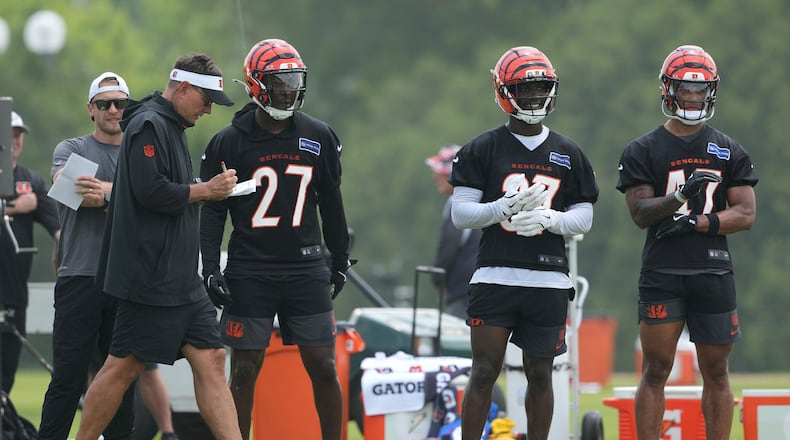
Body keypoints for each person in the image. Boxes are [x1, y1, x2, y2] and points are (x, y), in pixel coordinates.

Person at [74, 52, 241, 440]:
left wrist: (206, 191)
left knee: (212, 357)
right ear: (182, 88)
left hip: (182, 280)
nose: (208, 112)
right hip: (149, 278)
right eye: (206, 101)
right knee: (123, 367)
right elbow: (150, 191)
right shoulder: (148, 123)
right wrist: (208, 191)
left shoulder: (171, 125)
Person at [199, 38, 352, 440]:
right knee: (245, 368)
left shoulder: (318, 135)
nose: (287, 89)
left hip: (305, 268)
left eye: (292, 81)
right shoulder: (229, 141)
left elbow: (332, 205)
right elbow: (213, 211)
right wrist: (211, 268)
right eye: (278, 81)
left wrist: (339, 260)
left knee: (323, 365)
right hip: (251, 269)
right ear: (255, 84)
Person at [449, 46, 599, 439]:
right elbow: (460, 212)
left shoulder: (568, 152)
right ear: (503, 92)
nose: (534, 97)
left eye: (540, 89)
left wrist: (552, 219)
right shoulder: (483, 147)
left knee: (541, 372)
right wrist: (502, 208)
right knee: (483, 370)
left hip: (548, 278)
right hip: (496, 273)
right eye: (524, 89)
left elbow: (585, 215)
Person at [616, 44, 758, 440]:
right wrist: (679, 198)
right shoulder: (643, 149)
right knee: (656, 368)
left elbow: (745, 214)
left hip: (713, 267)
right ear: (668, 90)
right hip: (663, 269)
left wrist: (698, 222)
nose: (693, 97)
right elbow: (640, 212)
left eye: (699, 90)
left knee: (716, 370)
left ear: (711, 91)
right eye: (685, 89)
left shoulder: (729, 149)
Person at [38, 72, 137, 440]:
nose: (113, 110)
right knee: (67, 377)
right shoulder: (71, 148)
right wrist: (128, 196)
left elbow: (151, 196)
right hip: (79, 277)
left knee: (122, 379)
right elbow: (70, 188)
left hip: (125, 281)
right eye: (104, 104)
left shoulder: (139, 152)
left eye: (121, 103)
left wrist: (110, 196)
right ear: (90, 110)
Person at [0, 110, 59, 394]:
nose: (15, 141)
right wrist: (11, 209)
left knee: (7, 373)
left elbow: (59, 228)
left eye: (18, 135)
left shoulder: (31, 182)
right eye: (9, 135)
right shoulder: (23, 197)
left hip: (14, 293)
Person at [425, 144, 481, 319]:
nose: (435, 177)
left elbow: (451, 241)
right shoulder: (483, 199)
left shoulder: (457, 202)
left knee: (461, 342)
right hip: (485, 286)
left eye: (441, 172)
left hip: (464, 290)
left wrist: (437, 277)